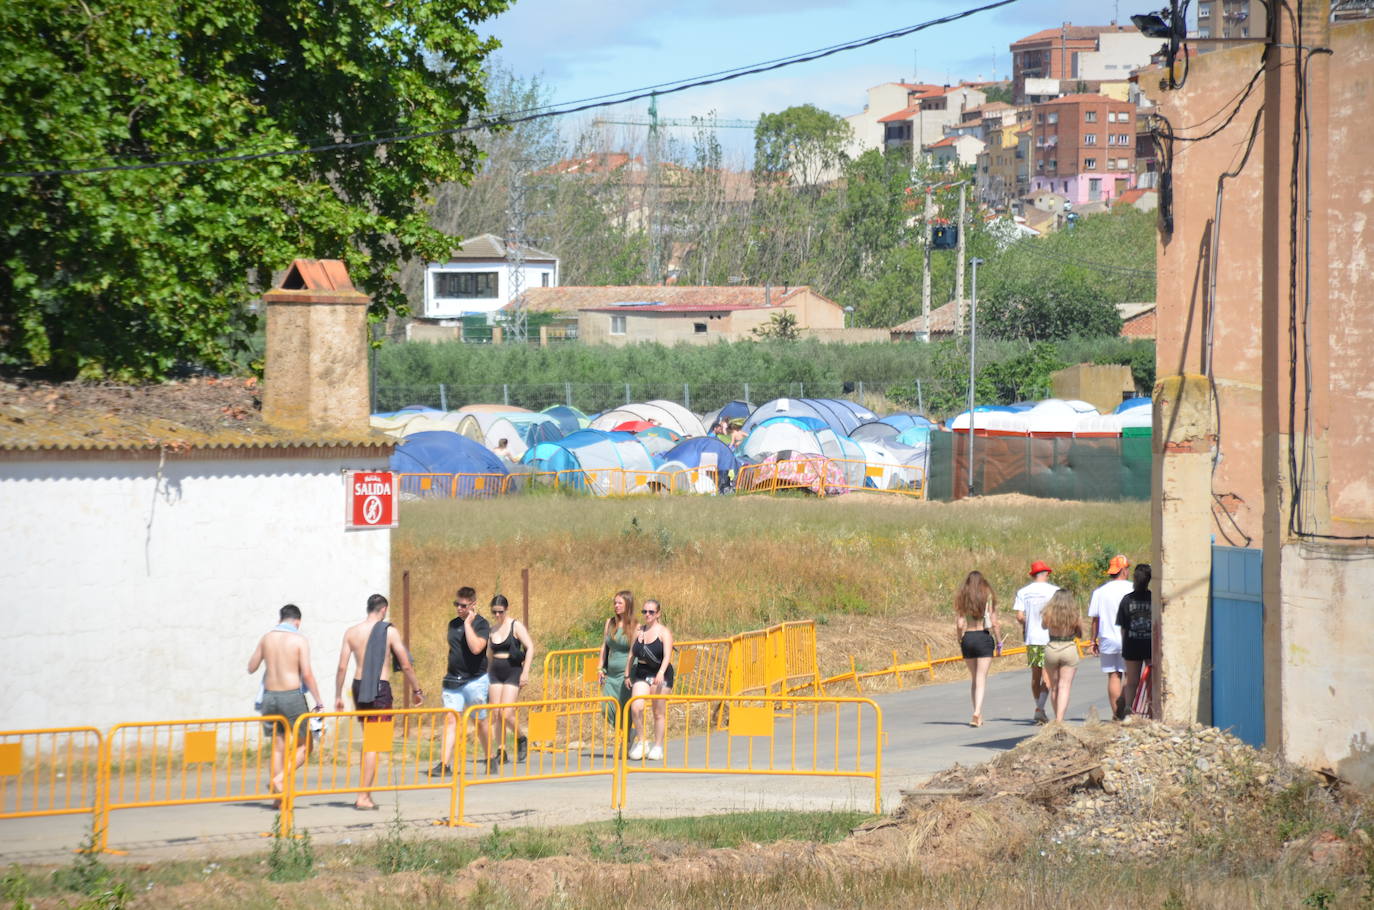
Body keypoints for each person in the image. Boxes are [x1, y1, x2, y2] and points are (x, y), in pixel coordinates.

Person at [334, 594, 422, 810]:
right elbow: (406, 664)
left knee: (369, 741)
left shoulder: (351, 632)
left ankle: (365, 792)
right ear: (383, 609)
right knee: (374, 744)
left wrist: (338, 695)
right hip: (379, 689)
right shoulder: (388, 631)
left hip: (358, 687)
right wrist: (417, 689)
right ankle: (363, 796)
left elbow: (342, 667)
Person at [247, 604, 325, 801]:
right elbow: (306, 674)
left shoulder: (266, 638)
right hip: (291, 695)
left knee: (278, 746)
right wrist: (318, 700)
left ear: (280, 619)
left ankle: (278, 799)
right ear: (297, 621)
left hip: (269, 696)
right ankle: (280, 779)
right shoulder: (299, 640)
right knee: (306, 745)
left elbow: (251, 667)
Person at [431, 586, 494, 777]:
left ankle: (491, 757)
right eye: (456, 604)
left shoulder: (482, 625)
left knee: (480, 721)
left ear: (473, 605)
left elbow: (476, 649)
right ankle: (444, 764)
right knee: (451, 720)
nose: (459, 608)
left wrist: (468, 624)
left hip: (475, 681)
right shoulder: (452, 624)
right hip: (453, 680)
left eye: (463, 605)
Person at [486, 594, 535, 765]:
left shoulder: (515, 625)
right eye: (494, 612)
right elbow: (489, 655)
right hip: (495, 670)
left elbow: (530, 647)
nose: (497, 615)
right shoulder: (492, 630)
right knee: (496, 712)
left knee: (507, 713)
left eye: (500, 611)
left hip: (512, 670)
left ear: (506, 609)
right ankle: (501, 750)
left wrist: (525, 672)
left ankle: (521, 738)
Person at [627, 599, 674, 762]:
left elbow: (667, 655)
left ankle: (658, 746)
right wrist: (627, 674)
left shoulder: (664, 632)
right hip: (642, 671)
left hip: (661, 672)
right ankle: (642, 741)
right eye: (645, 611)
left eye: (651, 612)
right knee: (636, 707)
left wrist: (661, 672)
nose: (647, 614)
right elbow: (631, 654)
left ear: (658, 614)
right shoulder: (638, 630)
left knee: (658, 712)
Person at [1014, 560, 1060, 724]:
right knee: (1048, 676)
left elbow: (1019, 616)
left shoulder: (1023, 592)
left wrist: (1029, 621)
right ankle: (1040, 709)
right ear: (1046, 574)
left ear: (1033, 575)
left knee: (1036, 675)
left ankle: (1039, 708)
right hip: (1049, 637)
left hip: (1032, 638)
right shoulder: (1055, 591)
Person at [1088, 555, 1134, 720]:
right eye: (1127, 568)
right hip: (1129, 637)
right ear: (1123, 570)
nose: (1128, 571)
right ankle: (1129, 712)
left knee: (1114, 675)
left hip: (1107, 638)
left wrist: (1093, 641)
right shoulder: (1132, 588)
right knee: (1130, 674)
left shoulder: (1100, 592)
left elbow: (1095, 619)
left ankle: (1117, 715)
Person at [954, 571, 1001, 727]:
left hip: (968, 638)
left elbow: (960, 624)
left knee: (974, 678)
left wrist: (960, 639)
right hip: (983, 637)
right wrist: (999, 642)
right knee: (981, 677)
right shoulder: (987, 597)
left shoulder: (962, 598)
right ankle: (977, 711)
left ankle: (976, 713)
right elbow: (994, 623)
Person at [1041, 590, 1086, 724]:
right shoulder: (1074, 614)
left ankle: (1057, 717)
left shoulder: (1048, 613)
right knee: (1064, 686)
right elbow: (1080, 634)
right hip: (1068, 647)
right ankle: (1060, 719)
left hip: (1052, 647)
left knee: (1054, 686)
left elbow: (1043, 626)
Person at [1116, 564, 1154, 718]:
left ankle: (1128, 708)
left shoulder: (1127, 600)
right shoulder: (1154, 598)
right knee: (1151, 682)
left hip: (1131, 644)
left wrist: (1126, 643)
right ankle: (1151, 711)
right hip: (1150, 644)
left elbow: (1123, 627)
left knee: (1131, 681)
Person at [598, 590, 636, 734]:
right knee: (606, 708)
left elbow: (633, 651)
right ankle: (628, 734)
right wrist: (600, 668)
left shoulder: (634, 625)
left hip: (625, 674)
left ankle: (627, 738)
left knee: (624, 707)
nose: (616, 606)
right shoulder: (610, 623)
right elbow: (604, 646)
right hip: (611, 675)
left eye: (620, 603)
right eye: (615, 603)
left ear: (628, 605)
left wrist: (627, 674)